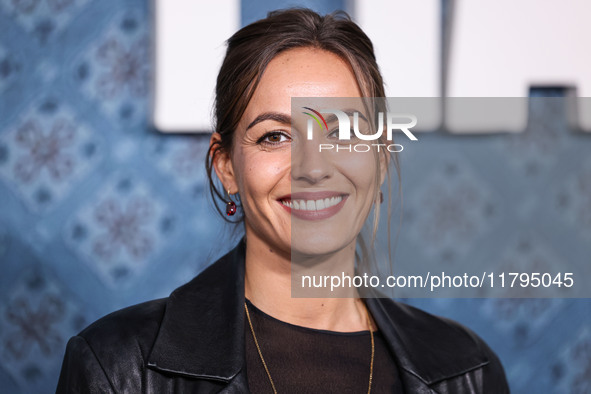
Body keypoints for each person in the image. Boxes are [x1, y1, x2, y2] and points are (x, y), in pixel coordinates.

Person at [56, 8, 509, 393]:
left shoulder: (467, 369)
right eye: (275, 136)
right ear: (226, 166)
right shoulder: (118, 367)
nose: (313, 167)